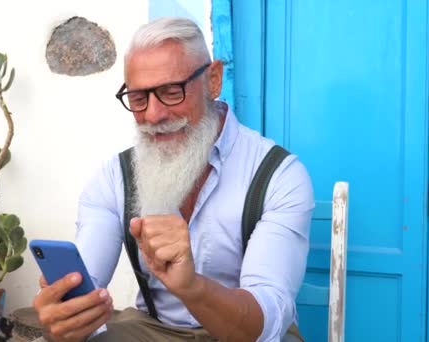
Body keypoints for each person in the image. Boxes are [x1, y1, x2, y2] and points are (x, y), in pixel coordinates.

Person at [32, 16, 314, 342]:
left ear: (213, 80)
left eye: (170, 91)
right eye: (139, 98)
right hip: (153, 331)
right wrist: (65, 317)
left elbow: (265, 321)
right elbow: (87, 283)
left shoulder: (279, 176)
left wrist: (191, 286)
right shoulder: (114, 178)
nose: (153, 115)